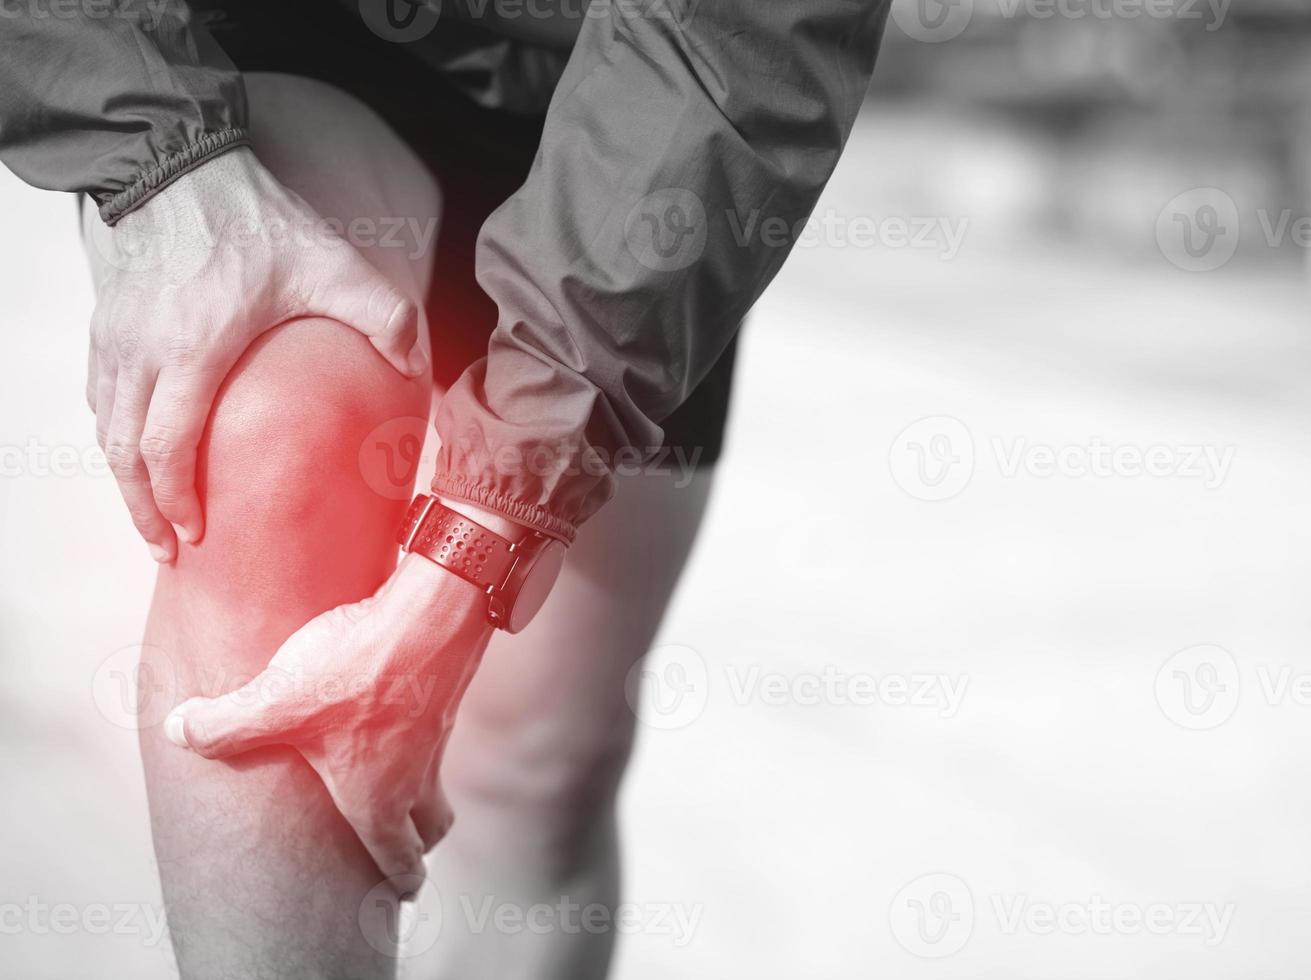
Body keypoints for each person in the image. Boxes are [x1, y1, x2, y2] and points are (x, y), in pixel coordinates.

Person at [0, 1, 891, 976]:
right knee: (272, 419)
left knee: (536, 761)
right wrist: (158, 159)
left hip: (648, 87)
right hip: (261, 39)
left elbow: (745, 35)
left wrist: (491, 526)